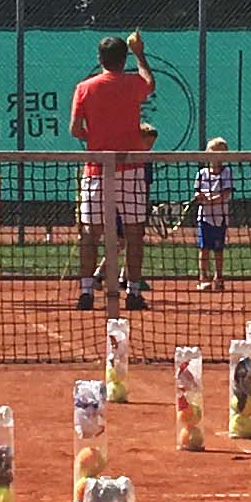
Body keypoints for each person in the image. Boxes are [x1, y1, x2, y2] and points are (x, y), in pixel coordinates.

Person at [67, 34, 156, 313]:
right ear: (124, 59)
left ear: (99, 59)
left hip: (96, 168)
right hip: (129, 168)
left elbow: (75, 129)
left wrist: (96, 138)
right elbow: (150, 83)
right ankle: (132, 292)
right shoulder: (133, 83)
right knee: (133, 233)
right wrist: (140, 53)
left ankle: (86, 292)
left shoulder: (84, 88)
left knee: (89, 234)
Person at [190, 137, 233, 292]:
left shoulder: (227, 172)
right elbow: (197, 192)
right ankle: (203, 278)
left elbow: (225, 194)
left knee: (218, 249)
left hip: (220, 218)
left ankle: (219, 277)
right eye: (212, 153)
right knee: (204, 249)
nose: (215, 157)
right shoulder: (201, 173)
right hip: (204, 218)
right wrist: (200, 197)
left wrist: (212, 200)